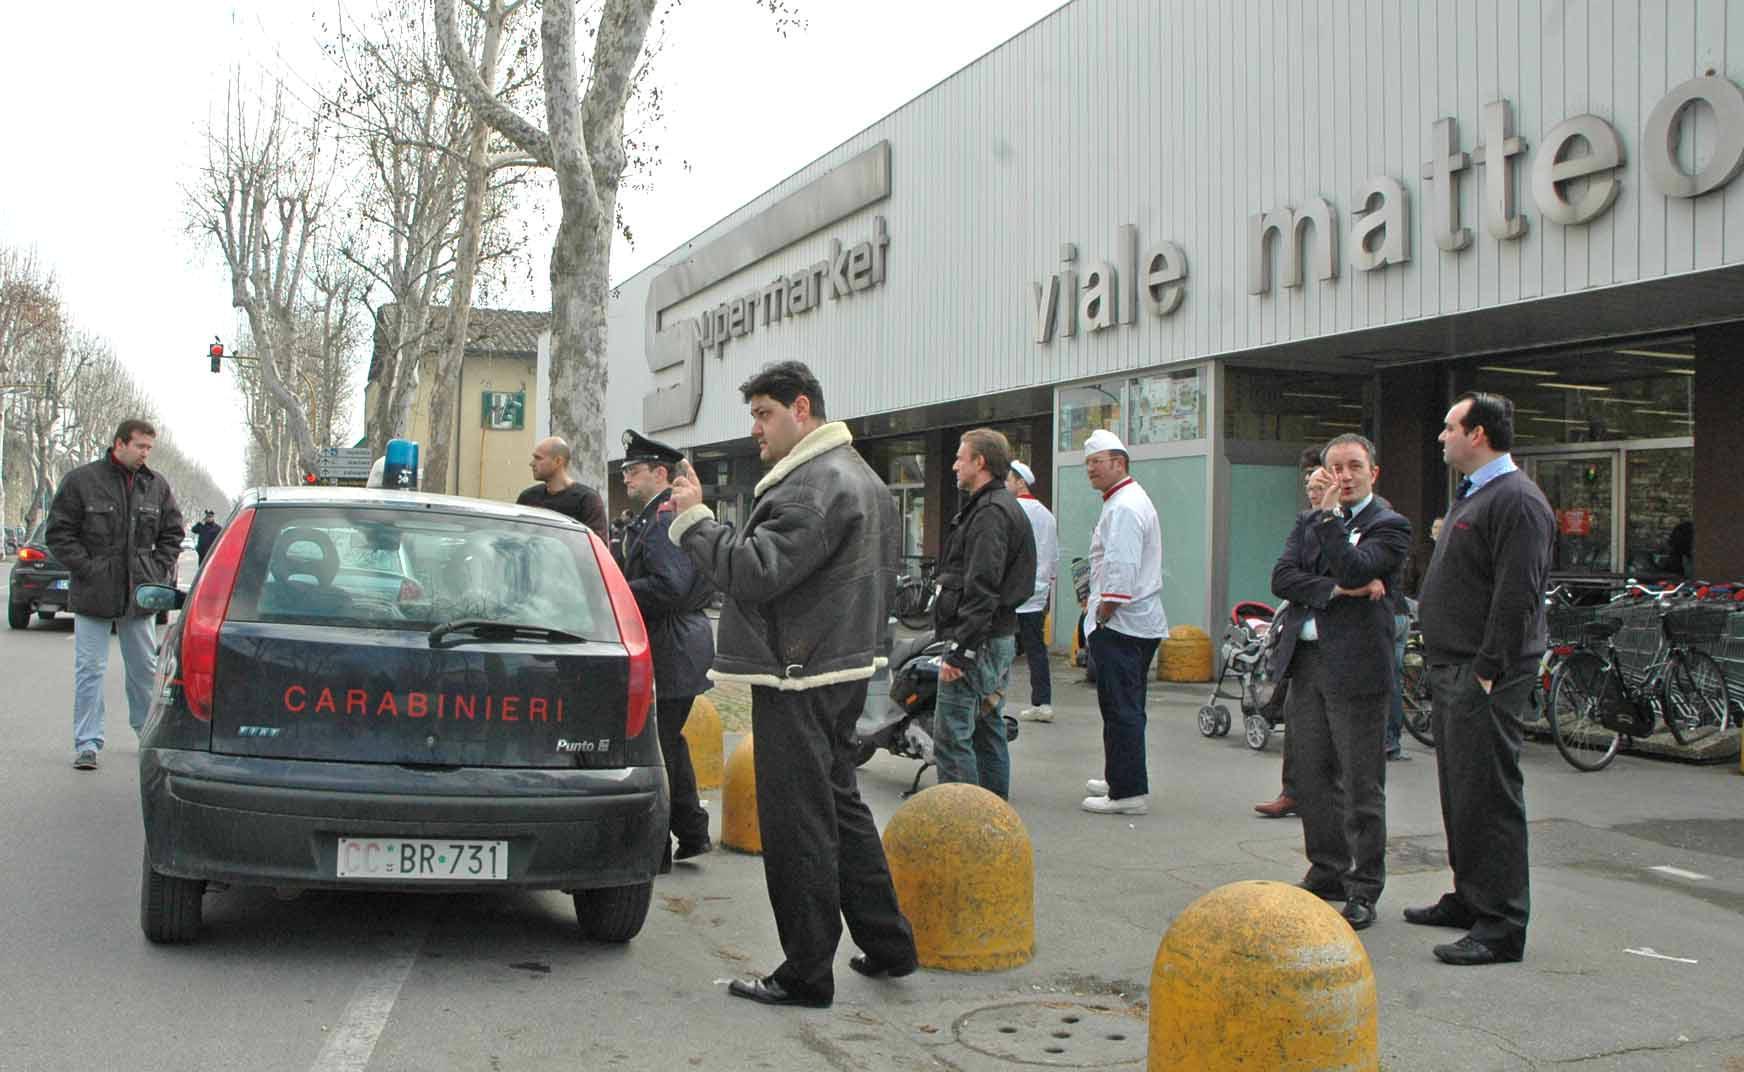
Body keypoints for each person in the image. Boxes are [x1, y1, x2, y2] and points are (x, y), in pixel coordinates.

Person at [668, 360, 916, 1009]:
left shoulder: (812, 486)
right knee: (840, 807)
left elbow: (751, 573)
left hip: (799, 675)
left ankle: (806, 972)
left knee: (799, 823)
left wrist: (695, 519)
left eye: (764, 414)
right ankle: (889, 943)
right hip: (841, 668)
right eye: (753, 415)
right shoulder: (859, 477)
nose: (756, 428)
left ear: (801, 409)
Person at [1410, 392, 1554, 966]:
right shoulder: (1476, 493)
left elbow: (1517, 593)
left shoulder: (1517, 500)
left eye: (1449, 428)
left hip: (1484, 672)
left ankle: (1501, 925)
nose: (1441, 437)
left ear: (1479, 435)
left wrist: (1490, 671)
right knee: (1460, 791)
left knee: (1490, 796)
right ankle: (1470, 898)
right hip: (1455, 666)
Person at [1267, 434, 1412, 932]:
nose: (1343, 476)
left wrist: (1332, 529)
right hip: (1306, 664)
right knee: (1311, 774)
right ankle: (1326, 869)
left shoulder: (1389, 526)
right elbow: (1282, 578)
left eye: (1353, 467)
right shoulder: (1307, 522)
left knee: (1359, 783)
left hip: (1356, 671)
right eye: (1334, 468)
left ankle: (1364, 886)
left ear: (1374, 472)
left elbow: (1357, 564)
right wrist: (1336, 590)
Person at [45, 419, 185, 771]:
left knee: (143, 669)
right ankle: (87, 743)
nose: (145, 454)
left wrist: (156, 570)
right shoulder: (82, 481)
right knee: (90, 669)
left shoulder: (156, 486)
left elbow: (172, 533)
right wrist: (89, 569)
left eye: (149, 448)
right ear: (119, 443)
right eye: (140, 446)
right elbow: (59, 534)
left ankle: (147, 735)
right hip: (94, 594)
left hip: (138, 597)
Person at [619, 430, 717, 864]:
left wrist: (617, 589)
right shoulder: (654, 518)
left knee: (655, 749)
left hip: (672, 647)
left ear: (661, 473)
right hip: (677, 644)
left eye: (633, 471)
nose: (625, 478)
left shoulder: (662, 520)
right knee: (668, 744)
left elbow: (670, 585)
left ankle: (656, 848)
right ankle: (692, 831)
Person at [931, 429, 1037, 799]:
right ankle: (992, 824)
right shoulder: (994, 506)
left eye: (961, 457)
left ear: (980, 463)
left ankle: (962, 829)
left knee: (952, 735)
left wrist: (962, 650)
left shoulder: (991, 512)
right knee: (987, 729)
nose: (954, 464)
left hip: (982, 641)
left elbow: (982, 587)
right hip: (994, 637)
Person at [1080, 429, 1166, 815]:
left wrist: (1104, 612)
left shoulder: (1126, 507)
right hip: (1132, 623)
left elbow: (1122, 566)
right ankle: (1121, 774)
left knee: (1121, 708)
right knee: (1125, 706)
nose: (1090, 471)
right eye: (1088, 464)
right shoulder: (1122, 500)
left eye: (1096, 463)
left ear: (1119, 462)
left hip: (1122, 625)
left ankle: (1127, 793)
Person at [1255, 446, 1333, 819]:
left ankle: (1322, 796)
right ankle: (1293, 791)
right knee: (1297, 720)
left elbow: (1349, 574)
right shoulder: (1304, 524)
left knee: (1332, 732)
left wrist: (1320, 585)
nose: (1312, 492)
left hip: (1339, 647)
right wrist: (1323, 586)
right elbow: (1282, 578)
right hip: (1300, 639)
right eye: (1308, 485)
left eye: (1319, 485)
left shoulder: (1362, 524)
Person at [1008, 459, 1058, 723]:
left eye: (1008, 480)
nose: (1005, 485)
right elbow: (1054, 557)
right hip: (1037, 593)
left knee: (999, 646)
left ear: (1020, 482)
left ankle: (990, 699)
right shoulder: (1047, 515)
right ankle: (1043, 702)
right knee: (1036, 649)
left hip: (1012, 592)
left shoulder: (1012, 511)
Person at [516, 436, 608, 535]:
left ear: (558, 461)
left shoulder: (586, 500)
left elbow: (596, 544)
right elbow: (514, 535)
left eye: (538, 458)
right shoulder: (528, 497)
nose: (532, 463)